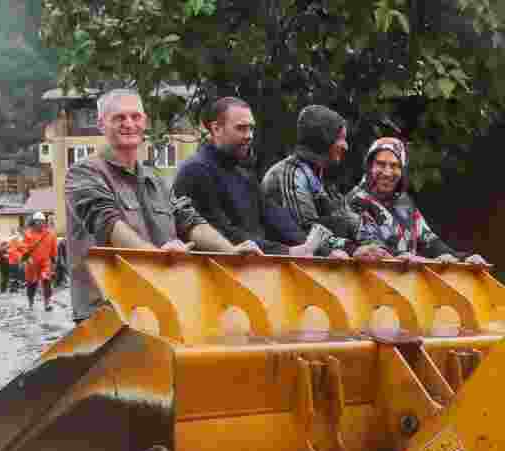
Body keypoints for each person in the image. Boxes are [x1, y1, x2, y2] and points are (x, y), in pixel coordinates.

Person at [65, 88, 259, 325]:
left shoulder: (155, 179)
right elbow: (107, 223)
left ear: (145, 122)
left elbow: (189, 220)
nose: (129, 124)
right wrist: (155, 257)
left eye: (135, 117)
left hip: (157, 309)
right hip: (105, 314)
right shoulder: (83, 173)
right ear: (101, 124)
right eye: (119, 118)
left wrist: (230, 251)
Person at [173, 97, 331, 257]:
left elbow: (278, 219)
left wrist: (322, 251)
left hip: (252, 268)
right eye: (241, 128)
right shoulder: (195, 171)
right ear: (216, 129)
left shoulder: (243, 173)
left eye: (251, 129)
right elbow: (219, 231)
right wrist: (286, 251)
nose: (249, 135)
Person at [349, 138, 488, 264]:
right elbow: (375, 251)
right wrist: (423, 260)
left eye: (395, 166)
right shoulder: (357, 200)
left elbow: (429, 241)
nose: (387, 172)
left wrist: (462, 258)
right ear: (369, 166)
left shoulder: (403, 202)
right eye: (380, 164)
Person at [261, 105, 360, 258]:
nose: (345, 146)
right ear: (324, 139)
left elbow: (352, 223)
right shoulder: (291, 173)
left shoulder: (322, 178)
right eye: (340, 138)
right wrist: (353, 248)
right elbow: (306, 233)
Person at [20, 212, 58, 311]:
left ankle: (47, 303)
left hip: (45, 262)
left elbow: (54, 250)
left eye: (42, 221)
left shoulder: (50, 234)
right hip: (32, 263)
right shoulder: (28, 234)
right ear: (34, 222)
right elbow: (23, 247)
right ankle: (31, 303)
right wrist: (27, 258)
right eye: (38, 221)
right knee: (31, 284)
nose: (40, 223)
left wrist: (54, 262)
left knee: (46, 281)